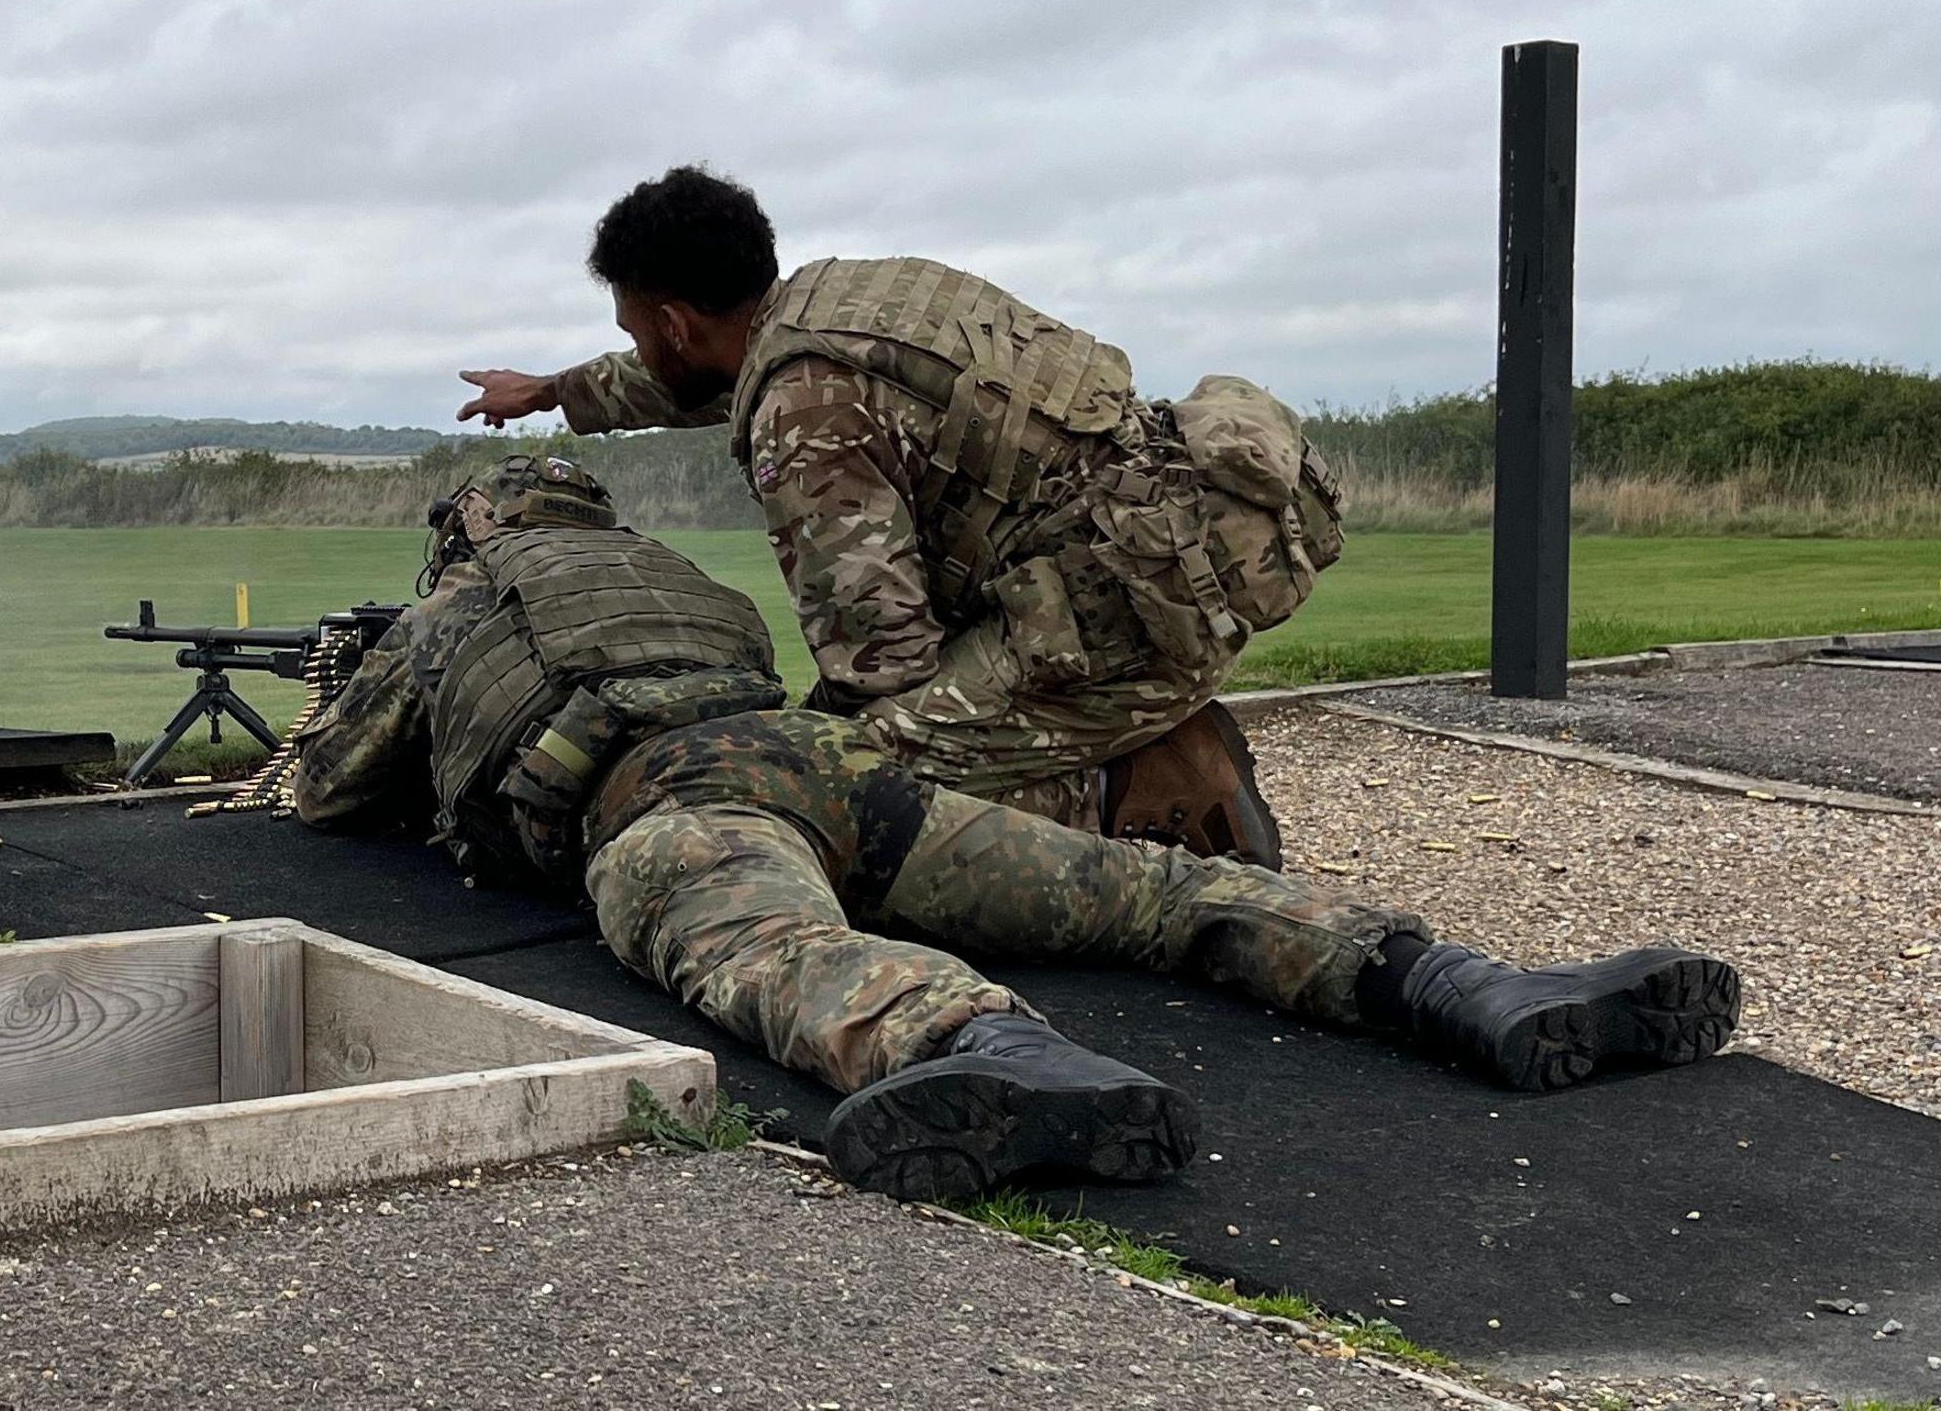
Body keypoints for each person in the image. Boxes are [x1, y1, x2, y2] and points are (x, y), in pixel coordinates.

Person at [289, 456, 1743, 1202]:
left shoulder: (455, 609)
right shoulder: (678, 578)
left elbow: (332, 786)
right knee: (1143, 890)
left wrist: (350, 707)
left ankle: (994, 1054)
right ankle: (1464, 983)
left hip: (674, 801)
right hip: (836, 768)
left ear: (466, 534)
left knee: (773, 949)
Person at [452, 166, 1343, 868]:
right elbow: (694, 376)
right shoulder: (839, 303)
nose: (641, 345)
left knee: (847, 783)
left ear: (676, 323)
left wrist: (794, 747)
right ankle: (1121, 736)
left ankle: (1141, 784)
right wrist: (555, 392)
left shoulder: (805, 417)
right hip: (1168, 565)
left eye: (638, 327)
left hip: (1128, 628)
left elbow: (881, 661)